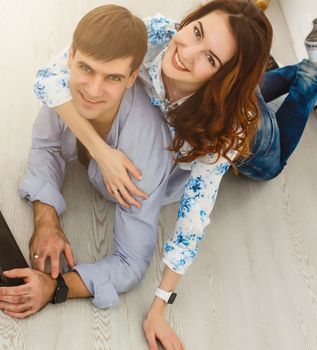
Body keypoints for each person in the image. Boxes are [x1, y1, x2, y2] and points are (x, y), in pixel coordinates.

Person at [32, 1, 317, 349]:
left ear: (221, 74)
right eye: (196, 32)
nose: (187, 53)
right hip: (224, 90)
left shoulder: (230, 129)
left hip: (241, 123)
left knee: (272, 162)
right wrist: (102, 152)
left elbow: (193, 219)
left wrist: (159, 307)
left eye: (210, 58)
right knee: (249, 86)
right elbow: (49, 78)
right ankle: (266, 75)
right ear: (190, 21)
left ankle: (309, 70)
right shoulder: (155, 33)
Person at [0, 5, 178, 319]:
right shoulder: (62, 88)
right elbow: (45, 146)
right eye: (86, 69)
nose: (92, 90)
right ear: (70, 56)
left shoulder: (145, 155)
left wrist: (56, 287)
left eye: (113, 77)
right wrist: (46, 220)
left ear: (133, 77)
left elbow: (131, 263)